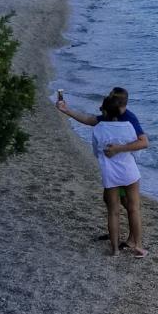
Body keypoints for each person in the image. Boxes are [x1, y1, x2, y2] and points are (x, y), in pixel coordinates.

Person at [56, 89, 149, 257]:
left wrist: (117, 150)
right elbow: (89, 119)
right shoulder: (120, 123)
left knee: (117, 208)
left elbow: (142, 142)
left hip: (110, 172)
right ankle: (136, 245)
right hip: (128, 171)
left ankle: (119, 246)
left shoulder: (123, 120)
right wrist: (66, 110)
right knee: (131, 207)